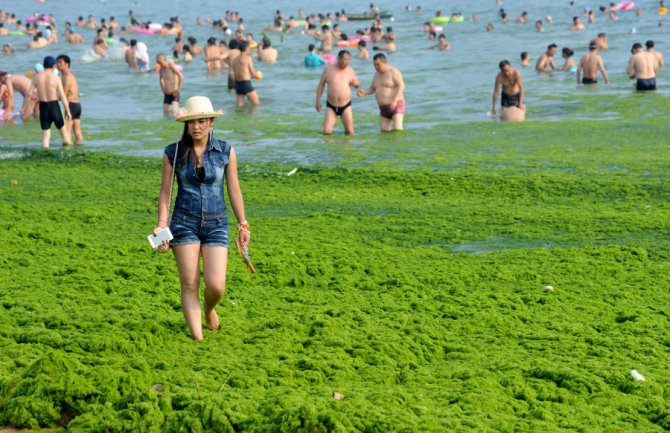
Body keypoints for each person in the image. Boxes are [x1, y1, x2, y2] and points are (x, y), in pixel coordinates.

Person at [153, 96, 249, 341]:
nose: (196, 126)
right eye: (192, 122)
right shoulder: (172, 153)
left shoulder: (226, 151)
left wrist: (243, 223)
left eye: (202, 121)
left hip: (217, 223)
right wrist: (162, 225)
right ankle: (198, 339)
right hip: (183, 223)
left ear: (211, 122)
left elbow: (234, 189)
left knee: (216, 285)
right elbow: (165, 193)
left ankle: (209, 308)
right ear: (185, 124)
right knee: (189, 283)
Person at [27, 56, 71, 147]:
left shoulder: (36, 77)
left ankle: (44, 156)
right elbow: (62, 96)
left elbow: (29, 94)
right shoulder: (56, 78)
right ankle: (68, 155)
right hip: (54, 106)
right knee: (64, 134)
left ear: (43, 65)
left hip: (43, 107)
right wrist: (68, 111)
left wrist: (26, 107)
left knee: (46, 136)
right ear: (54, 66)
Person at [356, 53, 405, 132]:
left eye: (378, 65)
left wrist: (395, 100)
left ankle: (400, 144)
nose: (376, 67)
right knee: (384, 132)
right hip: (383, 108)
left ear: (385, 63)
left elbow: (401, 86)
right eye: (374, 65)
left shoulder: (393, 72)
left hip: (396, 104)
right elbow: (373, 88)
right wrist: (364, 92)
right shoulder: (376, 75)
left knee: (397, 129)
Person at [315, 50, 360, 135]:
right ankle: (331, 148)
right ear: (338, 58)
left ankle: (347, 147)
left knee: (349, 132)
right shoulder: (328, 69)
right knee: (327, 132)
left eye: (349, 59)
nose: (347, 62)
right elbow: (321, 85)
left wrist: (355, 84)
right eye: (345, 59)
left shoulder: (350, 71)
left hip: (346, 105)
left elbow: (357, 84)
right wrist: (318, 100)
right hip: (331, 105)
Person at [56, 54, 84, 144]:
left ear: (67, 64)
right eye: (57, 62)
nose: (58, 64)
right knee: (77, 131)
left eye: (60, 62)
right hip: (77, 106)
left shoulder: (67, 77)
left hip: (71, 105)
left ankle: (68, 151)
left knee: (66, 131)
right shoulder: (64, 76)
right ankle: (79, 146)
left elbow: (63, 94)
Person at [231, 40, 260, 107]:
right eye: (249, 48)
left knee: (239, 108)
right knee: (256, 105)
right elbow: (253, 73)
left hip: (238, 85)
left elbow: (239, 73)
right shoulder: (248, 58)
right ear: (246, 49)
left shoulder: (234, 60)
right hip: (246, 84)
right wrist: (257, 76)